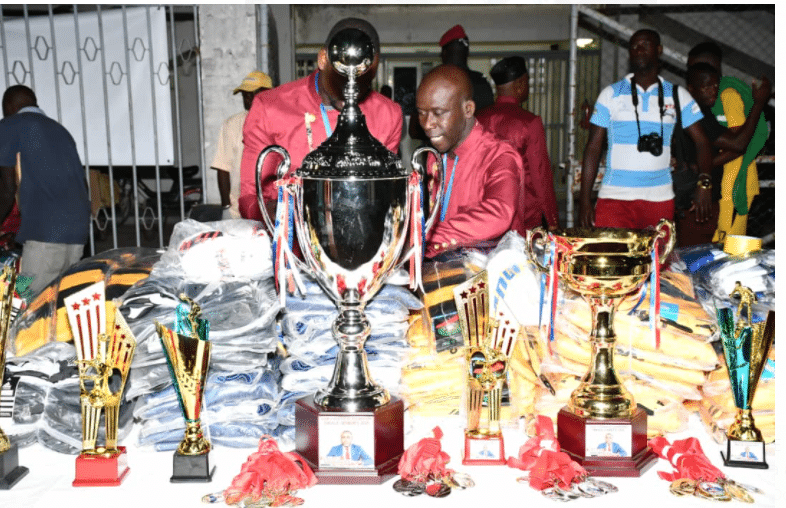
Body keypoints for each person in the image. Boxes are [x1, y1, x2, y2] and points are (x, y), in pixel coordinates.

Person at [238, 18, 403, 221]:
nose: (352, 91)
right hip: (292, 241)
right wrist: (277, 214)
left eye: (365, 81)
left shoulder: (388, 114)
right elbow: (250, 195)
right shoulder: (270, 108)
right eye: (343, 78)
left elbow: (385, 193)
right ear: (323, 59)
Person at [578, 29, 712, 230]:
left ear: (659, 50)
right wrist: (585, 200)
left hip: (660, 199)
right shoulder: (610, 94)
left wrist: (705, 182)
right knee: (615, 260)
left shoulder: (677, 95)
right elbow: (593, 148)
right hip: (615, 199)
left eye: (645, 45)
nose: (638, 50)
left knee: (656, 260)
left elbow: (702, 142)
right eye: (633, 46)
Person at [416, 64, 522, 259]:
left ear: (468, 109)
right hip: (444, 268)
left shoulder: (499, 155)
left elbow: (499, 213)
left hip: (490, 275)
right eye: (421, 112)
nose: (427, 124)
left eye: (438, 113)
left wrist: (425, 238)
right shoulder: (435, 154)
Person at [0, 85, 90, 297]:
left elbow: (7, 189)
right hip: (77, 235)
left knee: (23, 297)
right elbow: (80, 185)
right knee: (59, 302)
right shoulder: (61, 131)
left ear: (8, 106)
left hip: (44, 241)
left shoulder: (9, 125)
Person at [675, 63, 771, 246]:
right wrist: (758, 103)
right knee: (704, 253)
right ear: (691, 89)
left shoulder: (695, 112)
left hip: (696, 197)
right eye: (706, 86)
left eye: (715, 85)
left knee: (701, 252)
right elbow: (739, 143)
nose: (713, 90)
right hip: (696, 199)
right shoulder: (698, 116)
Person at [477, 56, 559, 231]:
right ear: (521, 84)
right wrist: (552, 220)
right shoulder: (529, 122)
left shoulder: (477, 119)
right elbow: (540, 176)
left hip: (484, 212)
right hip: (522, 216)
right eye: (528, 81)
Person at [210, 71, 272, 220]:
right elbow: (223, 168)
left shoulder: (279, 124)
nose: (248, 98)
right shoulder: (231, 124)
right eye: (245, 94)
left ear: (267, 94)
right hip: (238, 212)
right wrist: (226, 208)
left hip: (271, 208)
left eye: (252, 93)